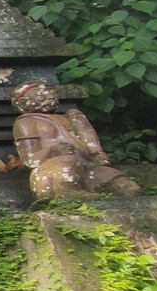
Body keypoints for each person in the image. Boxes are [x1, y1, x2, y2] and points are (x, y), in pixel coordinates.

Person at [11, 80, 142, 201]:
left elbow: (89, 142)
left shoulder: (70, 117)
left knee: (130, 189)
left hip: (87, 168)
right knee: (68, 159)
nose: (50, 96)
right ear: (23, 102)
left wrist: (97, 154)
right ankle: (67, 192)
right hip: (56, 171)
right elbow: (29, 160)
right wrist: (53, 150)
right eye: (41, 93)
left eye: (52, 92)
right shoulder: (26, 122)